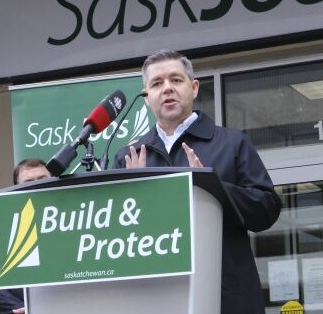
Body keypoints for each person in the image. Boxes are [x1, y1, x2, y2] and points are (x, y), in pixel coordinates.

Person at [114, 49, 281, 314]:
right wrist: (134, 193)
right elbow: (115, 239)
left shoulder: (232, 143)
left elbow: (267, 211)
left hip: (225, 297)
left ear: (193, 88)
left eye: (176, 80)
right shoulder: (129, 156)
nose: (167, 88)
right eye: (157, 84)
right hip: (156, 299)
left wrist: (211, 186)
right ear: (146, 97)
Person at [0, 159, 51, 314]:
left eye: (42, 179)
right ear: (17, 188)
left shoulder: (74, 218)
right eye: (29, 182)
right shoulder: (3, 223)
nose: (36, 185)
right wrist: (26, 309)